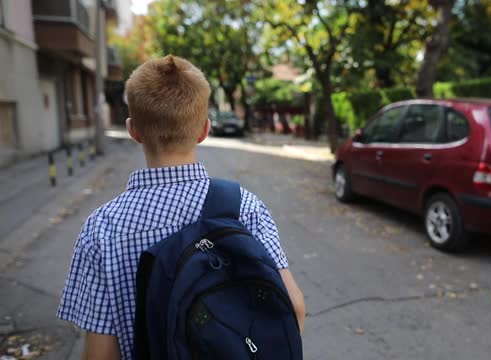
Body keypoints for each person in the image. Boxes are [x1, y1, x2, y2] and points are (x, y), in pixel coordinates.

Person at [57, 55, 305, 360]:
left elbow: (100, 355)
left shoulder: (103, 228)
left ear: (134, 131)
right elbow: (294, 307)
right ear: (204, 130)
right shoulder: (246, 208)